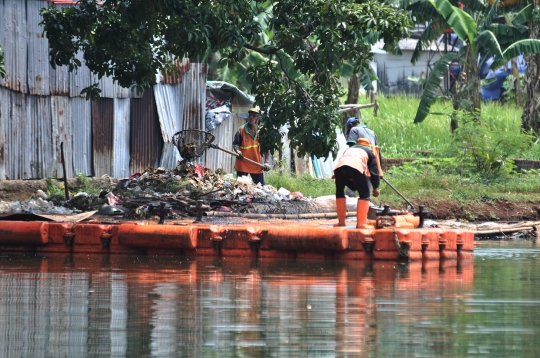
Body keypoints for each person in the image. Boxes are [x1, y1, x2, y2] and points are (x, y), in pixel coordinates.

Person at [333, 137, 380, 228]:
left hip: (339, 168)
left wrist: (355, 185)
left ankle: (341, 223)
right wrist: (375, 188)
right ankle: (361, 224)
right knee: (365, 195)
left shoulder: (349, 149)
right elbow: (374, 172)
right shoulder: (369, 152)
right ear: (368, 146)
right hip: (356, 167)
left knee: (339, 192)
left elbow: (347, 170)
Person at [232, 107, 271, 185]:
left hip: (256, 163)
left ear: (258, 118)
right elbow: (235, 144)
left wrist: (266, 162)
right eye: (250, 115)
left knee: (261, 187)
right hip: (242, 163)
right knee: (241, 189)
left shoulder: (262, 131)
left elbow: (267, 147)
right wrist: (238, 151)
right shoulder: (241, 130)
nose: (251, 117)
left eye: (254, 115)